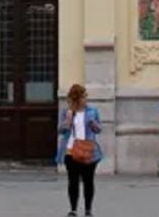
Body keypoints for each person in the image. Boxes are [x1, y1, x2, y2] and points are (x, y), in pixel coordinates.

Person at [57, 83, 103, 217]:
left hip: (88, 150)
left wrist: (94, 124)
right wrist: (67, 121)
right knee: (73, 181)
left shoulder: (92, 111)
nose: (86, 99)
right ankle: (73, 209)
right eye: (83, 96)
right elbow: (60, 130)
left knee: (89, 181)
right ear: (76, 98)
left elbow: (99, 129)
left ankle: (88, 209)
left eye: (86, 96)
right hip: (70, 151)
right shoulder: (67, 112)